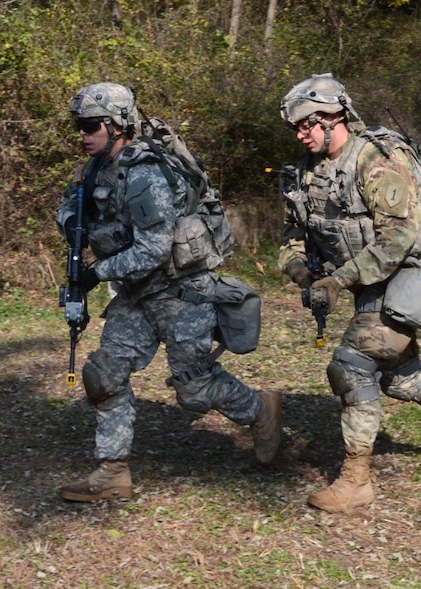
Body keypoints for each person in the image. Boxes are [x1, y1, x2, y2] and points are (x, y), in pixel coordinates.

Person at [276, 73, 421, 513]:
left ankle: (356, 480)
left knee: (351, 365)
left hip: (410, 276)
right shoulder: (306, 173)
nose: (301, 134)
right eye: (296, 127)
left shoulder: (377, 159)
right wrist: (305, 274)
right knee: (401, 377)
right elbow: (290, 238)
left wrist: (338, 281)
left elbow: (399, 238)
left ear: (334, 116)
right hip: (367, 283)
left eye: (307, 123)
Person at [55, 82, 281, 502]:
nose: (82, 135)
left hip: (180, 292)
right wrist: (72, 224)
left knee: (195, 390)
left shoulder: (145, 174)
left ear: (117, 125)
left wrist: (96, 273)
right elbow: (69, 202)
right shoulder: (95, 167)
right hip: (136, 294)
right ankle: (112, 471)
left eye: (90, 126)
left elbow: (154, 250)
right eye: (78, 127)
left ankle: (260, 410)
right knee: (103, 375)